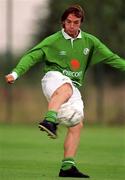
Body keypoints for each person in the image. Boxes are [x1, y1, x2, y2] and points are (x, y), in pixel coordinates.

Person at [5, 4, 125, 178]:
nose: (72, 26)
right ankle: (49, 120)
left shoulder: (90, 42)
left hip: (72, 86)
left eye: (76, 22)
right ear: (63, 22)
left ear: (81, 23)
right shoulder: (53, 40)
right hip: (52, 79)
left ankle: (67, 166)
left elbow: (112, 58)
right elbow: (32, 55)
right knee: (66, 87)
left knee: (77, 122)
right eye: (68, 22)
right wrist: (15, 73)